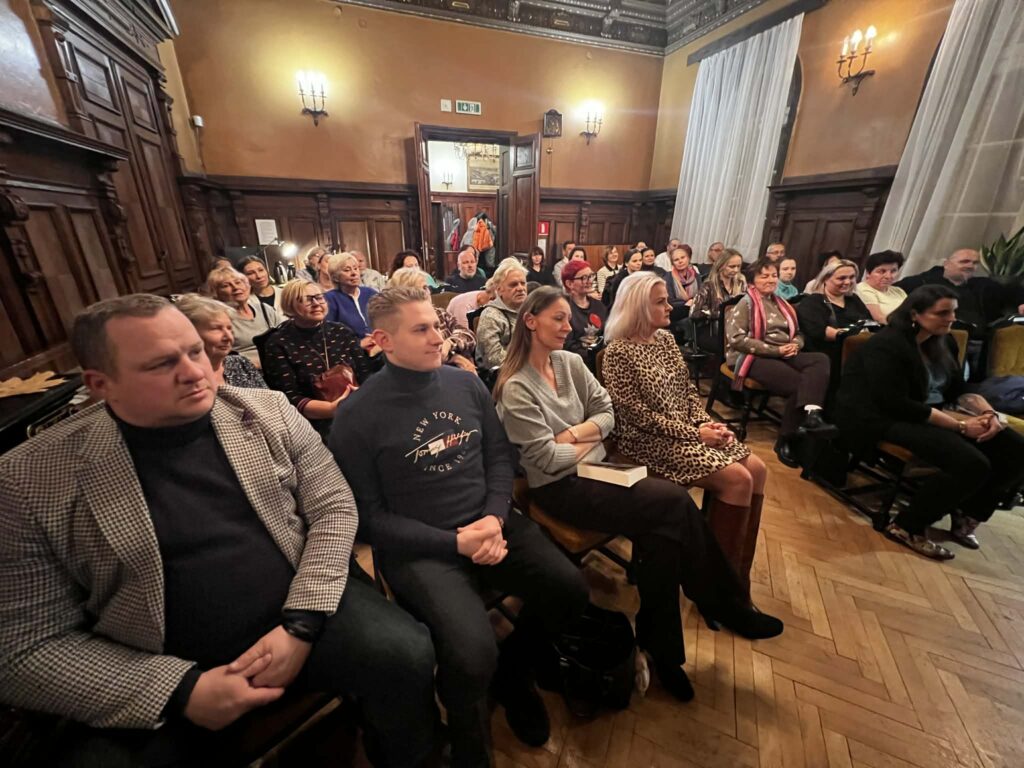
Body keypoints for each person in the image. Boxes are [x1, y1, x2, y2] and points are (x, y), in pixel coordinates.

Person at [0, 294, 439, 767]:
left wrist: (302, 623)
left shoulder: (267, 410)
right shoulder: (28, 477)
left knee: (406, 653)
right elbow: (23, 646)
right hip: (151, 656)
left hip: (300, 607)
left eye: (195, 351)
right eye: (161, 364)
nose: (195, 372)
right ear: (101, 384)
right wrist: (180, 690)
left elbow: (332, 506)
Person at [330, 287, 588, 766]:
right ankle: (470, 740)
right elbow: (368, 518)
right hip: (422, 548)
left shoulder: (464, 385)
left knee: (570, 589)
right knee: (471, 654)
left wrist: (493, 517)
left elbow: (499, 457)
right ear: (384, 341)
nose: (438, 338)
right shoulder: (355, 415)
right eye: (421, 329)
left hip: (489, 522)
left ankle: (515, 674)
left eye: (437, 325)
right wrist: (455, 542)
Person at [495, 287, 783, 704]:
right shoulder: (516, 387)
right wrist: (589, 437)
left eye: (568, 318)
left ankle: (666, 652)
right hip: (560, 488)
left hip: (596, 469)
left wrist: (573, 435)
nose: (568, 327)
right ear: (530, 321)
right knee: (673, 502)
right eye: (558, 318)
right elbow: (546, 460)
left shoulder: (569, 362)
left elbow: (607, 415)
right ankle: (723, 601)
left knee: (661, 536)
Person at [602, 273, 770, 599]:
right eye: (661, 302)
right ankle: (718, 591)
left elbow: (689, 393)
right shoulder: (618, 352)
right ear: (638, 307)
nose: (670, 307)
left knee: (758, 470)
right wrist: (695, 433)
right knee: (738, 479)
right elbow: (636, 416)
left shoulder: (665, 340)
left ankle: (737, 579)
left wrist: (709, 425)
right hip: (645, 441)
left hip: (685, 432)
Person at [837, 285, 1024, 558]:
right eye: (942, 313)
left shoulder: (944, 342)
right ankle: (906, 526)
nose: (951, 318)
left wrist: (989, 414)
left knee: (1016, 449)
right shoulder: (887, 345)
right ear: (915, 314)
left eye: (953, 312)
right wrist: (960, 426)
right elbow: (895, 403)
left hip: (928, 413)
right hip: (880, 418)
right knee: (971, 462)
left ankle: (967, 511)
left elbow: (959, 389)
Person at [726, 258, 835, 467]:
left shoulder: (783, 304)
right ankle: (787, 438)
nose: (770, 280)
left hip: (784, 351)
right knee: (799, 384)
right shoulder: (746, 303)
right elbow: (736, 340)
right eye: (764, 276)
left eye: (773, 275)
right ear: (753, 281)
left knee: (820, 359)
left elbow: (799, 332)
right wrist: (775, 350)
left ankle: (812, 414)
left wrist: (796, 344)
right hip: (753, 355)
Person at [262, 280, 374, 438]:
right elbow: (288, 397)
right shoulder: (278, 343)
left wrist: (359, 400)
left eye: (319, 297)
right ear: (290, 305)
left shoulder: (341, 332)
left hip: (357, 408)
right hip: (313, 423)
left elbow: (365, 375)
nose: (316, 304)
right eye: (307, 300)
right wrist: (332, 409)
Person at [796, 259, 872, 407]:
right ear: (826, 279)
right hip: (828, 352)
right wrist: (852, 332)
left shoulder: (854, 300)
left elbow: (869, 323)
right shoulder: (813, 302)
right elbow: (822, 333)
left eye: (851, 277)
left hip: (856, 349)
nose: (848, 282)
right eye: (841, 278)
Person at [896, 248, 1024, 331]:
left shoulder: (984, 285)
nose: (970, 266)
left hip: (982, 338)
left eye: (975, 263)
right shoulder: (922, 282)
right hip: (944, 334)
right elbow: (891, 291)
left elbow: (1013, 291)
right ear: (947, 264)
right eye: (964, 262)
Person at [389, 267, 476, 371]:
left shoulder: (439, 313)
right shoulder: (400, 322)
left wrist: (450, 343)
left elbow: (468, 335)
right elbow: (417, 356)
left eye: (425, 287)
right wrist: (454, 357)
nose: (425, 293)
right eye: (417, 290)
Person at [175, 294, 266, 388]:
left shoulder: (240, 363)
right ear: (191, 332)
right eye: (216, 329)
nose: (228, 337)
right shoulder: (185, 378)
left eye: (229, 328)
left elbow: (268, 396)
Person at [206, 266, 279, 365]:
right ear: (216, 293)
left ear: (247, 285)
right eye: (226, 285)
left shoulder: (265, 309)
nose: (236, 288)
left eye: (238, 282)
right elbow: (221, 358)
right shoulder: (220, 320)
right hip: (247, 370)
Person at [476, 257, 528, 369]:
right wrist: (529, 362)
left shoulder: (531, 311)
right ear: (499, 290)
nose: (520, 288)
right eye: (513, 284)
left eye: (523, 283)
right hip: (502, 374)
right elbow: (493, 359)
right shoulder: (490, 316)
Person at [325, 252, 378, 339]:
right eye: (347, 270)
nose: (354, 273)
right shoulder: (330, 299)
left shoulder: (371, 293)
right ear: (335, 277)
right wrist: (359, 343)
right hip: (350, 346)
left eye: (356, 268)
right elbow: (330, 333)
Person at [561, 259, 607, 357]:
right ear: (569, 283)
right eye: (584, 278)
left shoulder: (598, 305)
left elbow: (606, 334)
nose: (590, 281)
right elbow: (567, 345)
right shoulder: (563, 308)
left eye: (591, 276)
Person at [691, 248, 746, 319]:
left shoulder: (741, 283)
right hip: (716, 324)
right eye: (731, 266)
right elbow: (694, 313)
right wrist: (718, 313)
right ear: (720, 266)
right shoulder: (708, 286)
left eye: (738, 266)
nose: (736, 270)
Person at [855, 250, 908, 324]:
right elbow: (879, 318)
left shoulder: (899, 291)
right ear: (868, 273)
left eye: (893, 271)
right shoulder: (862, 289)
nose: (888, 276)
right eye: (882, 271)